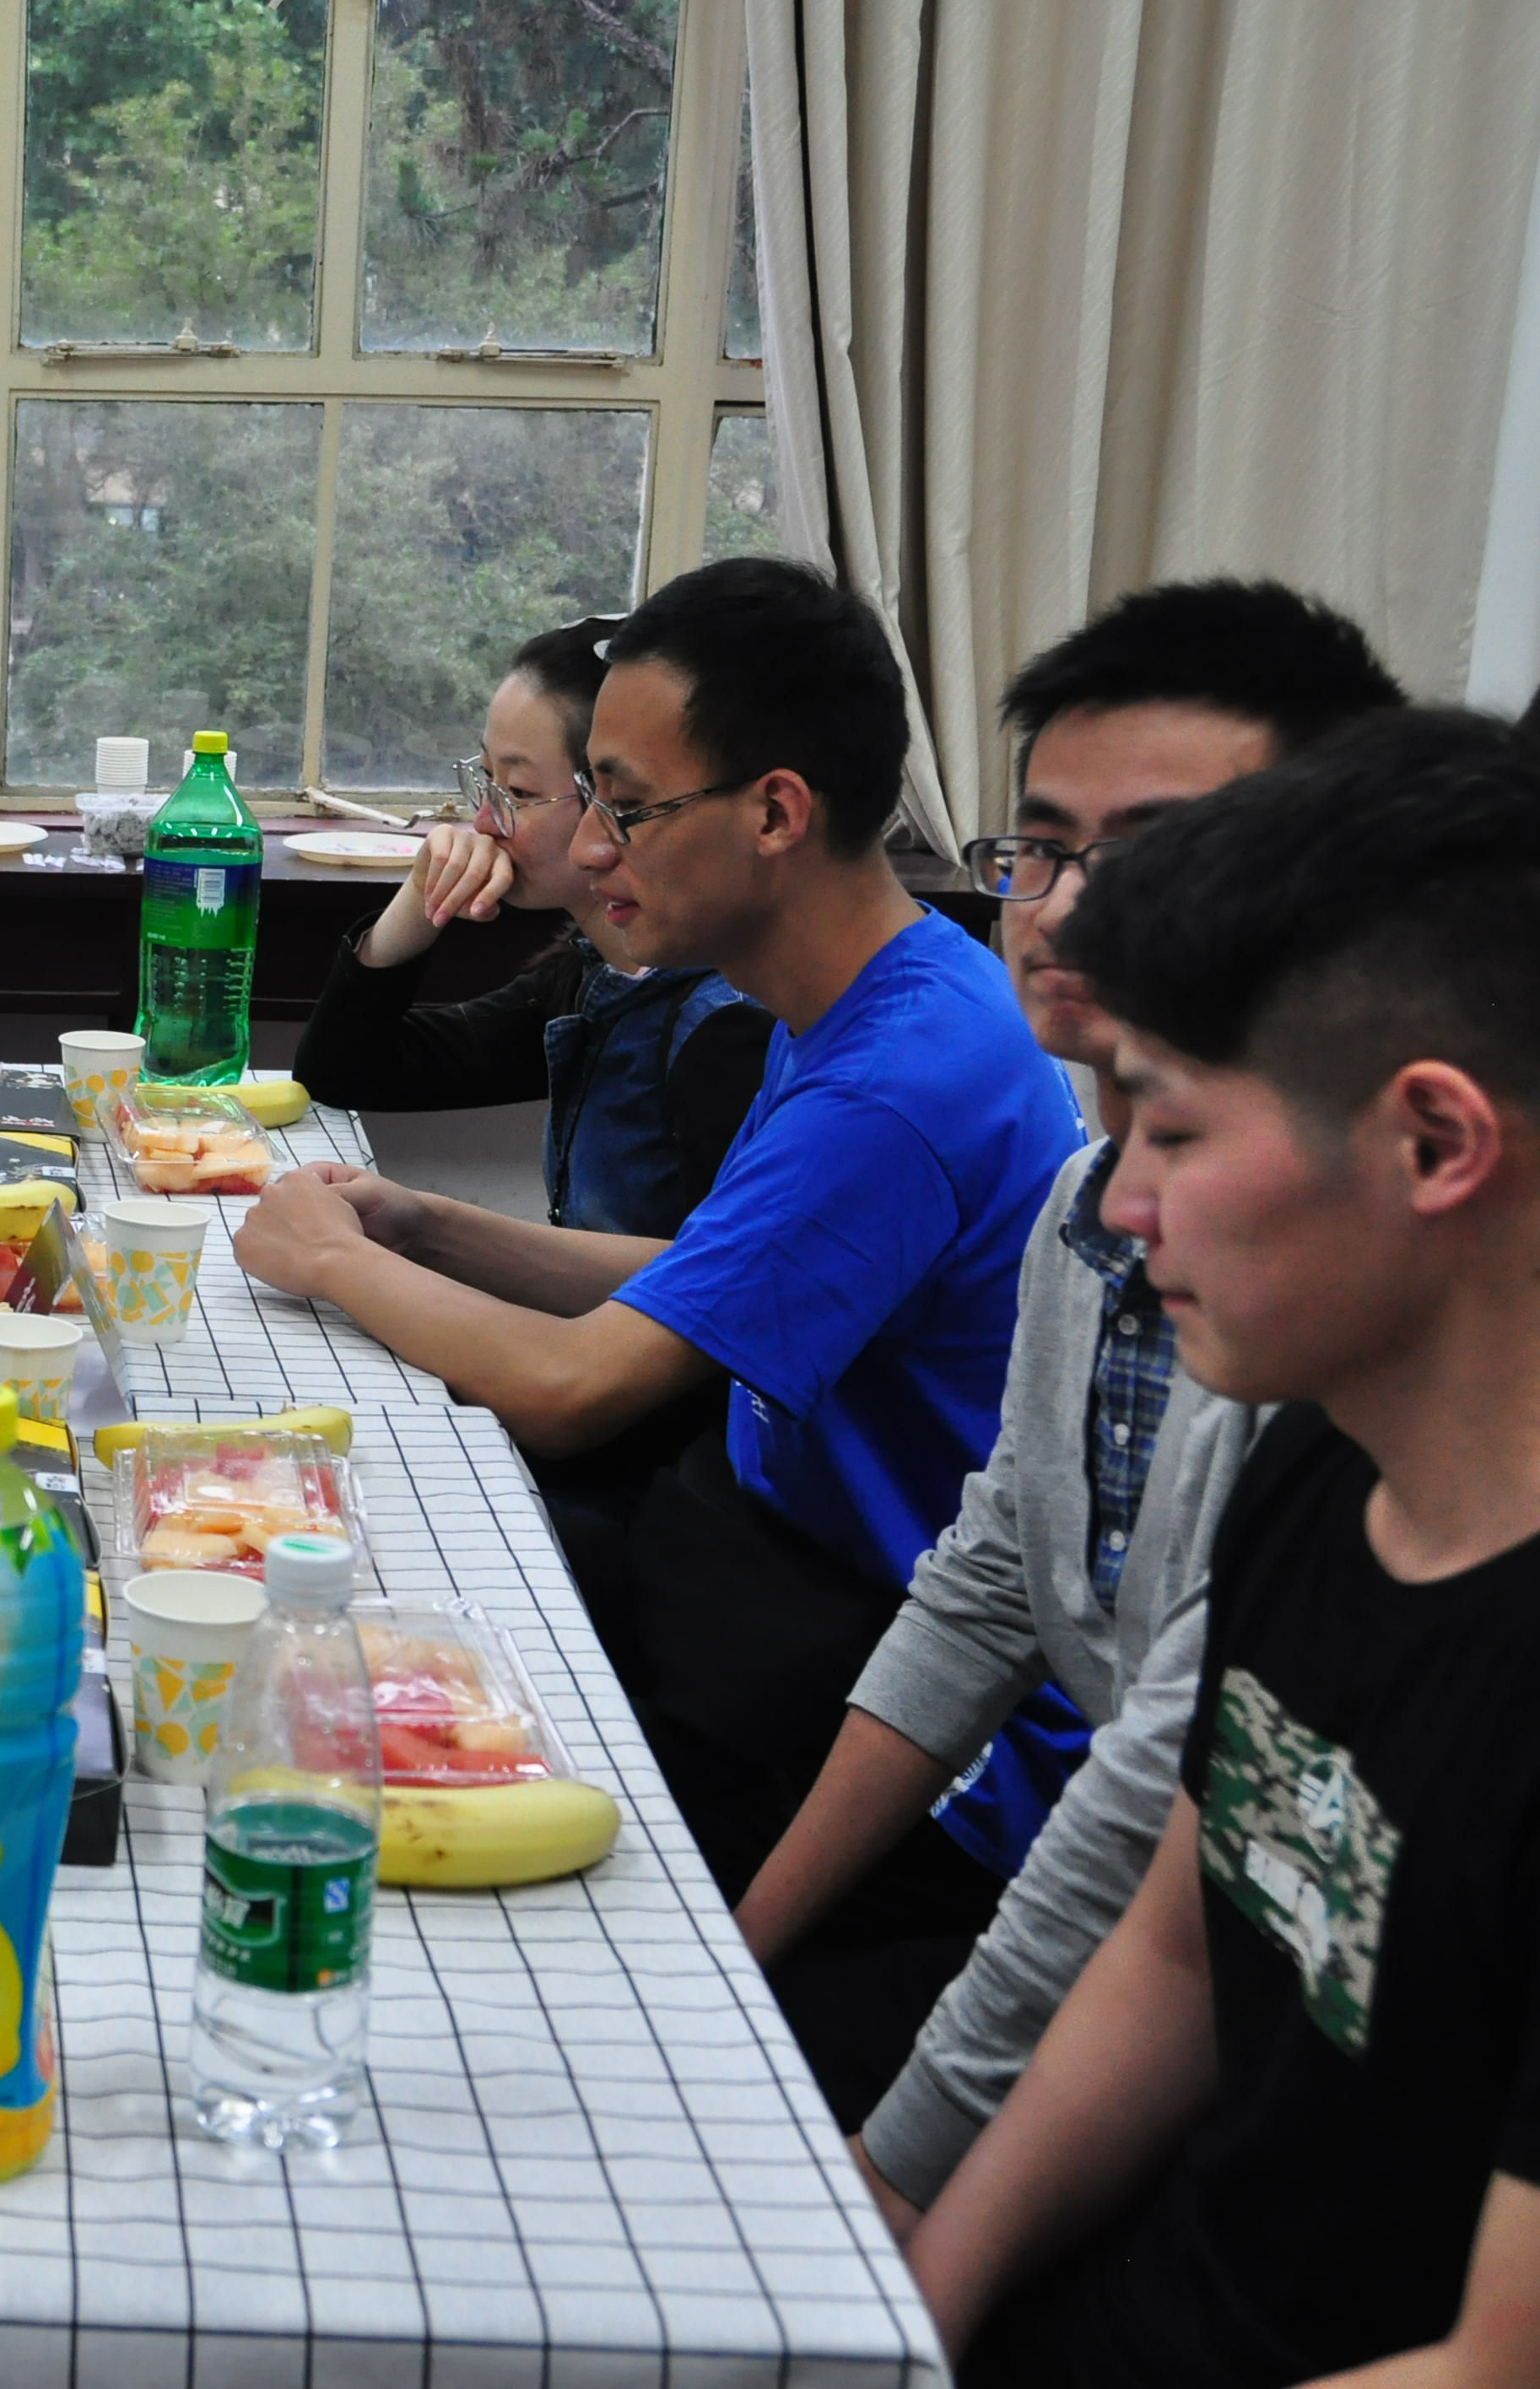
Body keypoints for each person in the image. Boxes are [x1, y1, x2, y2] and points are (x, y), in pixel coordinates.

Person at [231, 557, 1086, 1905]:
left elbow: (578, 1388)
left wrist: (334, 1259)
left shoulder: (891, 1079)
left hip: (857, 1638)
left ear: (776, 812)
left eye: (626, 809)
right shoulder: (878, 991)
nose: (588, 850)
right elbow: (709, 1275)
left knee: (335, 1682)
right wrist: (419, 1223)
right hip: (761, 1552)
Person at [733, 582, 1404, 2216]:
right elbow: (985, 1581)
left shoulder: (1329, 1305)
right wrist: (737, 1943)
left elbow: (1157, 1800)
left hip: (1223, 1993)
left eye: (1151, 854)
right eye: (1036, 849)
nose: (1061, 908)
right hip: (1086, 1901)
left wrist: (895, 2186)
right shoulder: (1078, 1204)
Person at [910, 709, 1540, 2386]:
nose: (1121, 1206)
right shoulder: (1316, 1464)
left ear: (1430, 1141)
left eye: (1174, 1132)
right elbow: (1177, 1945)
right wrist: (911, 2294)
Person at [292, 613, 771, 1242]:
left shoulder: (725, 1023)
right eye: (485, 780)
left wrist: (395, 1249)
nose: (484, 823)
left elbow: (715, 1284)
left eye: (516, 791)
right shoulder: (597, 976)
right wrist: (422, 896)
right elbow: (342, 1070)